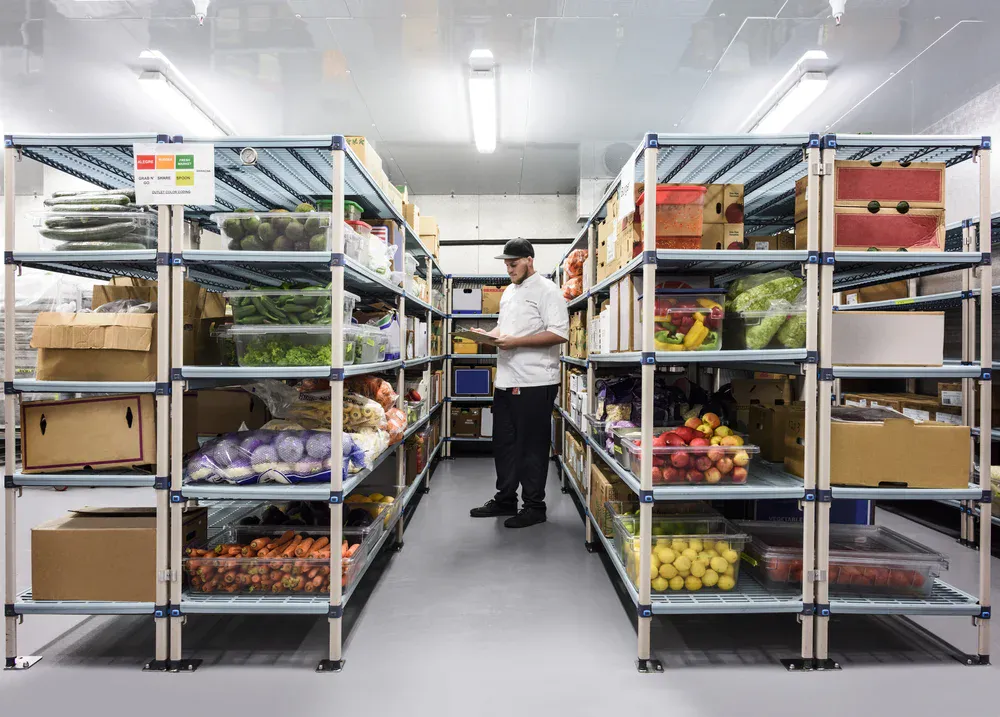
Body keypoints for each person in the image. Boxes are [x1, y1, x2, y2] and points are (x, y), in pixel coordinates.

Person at [469, 238, 569, 528]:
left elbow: (560, 333)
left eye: (514, 263)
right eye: (506, 263)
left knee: (532, 447)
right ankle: (506, 499)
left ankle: (535, 507)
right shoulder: (510, 292)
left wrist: (516, 342)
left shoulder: (549, 291)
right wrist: (489, 335)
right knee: (505, 444)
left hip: (536, 382)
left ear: (530, 260)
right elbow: (506, 328)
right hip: (506, 381)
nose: (509, 268)